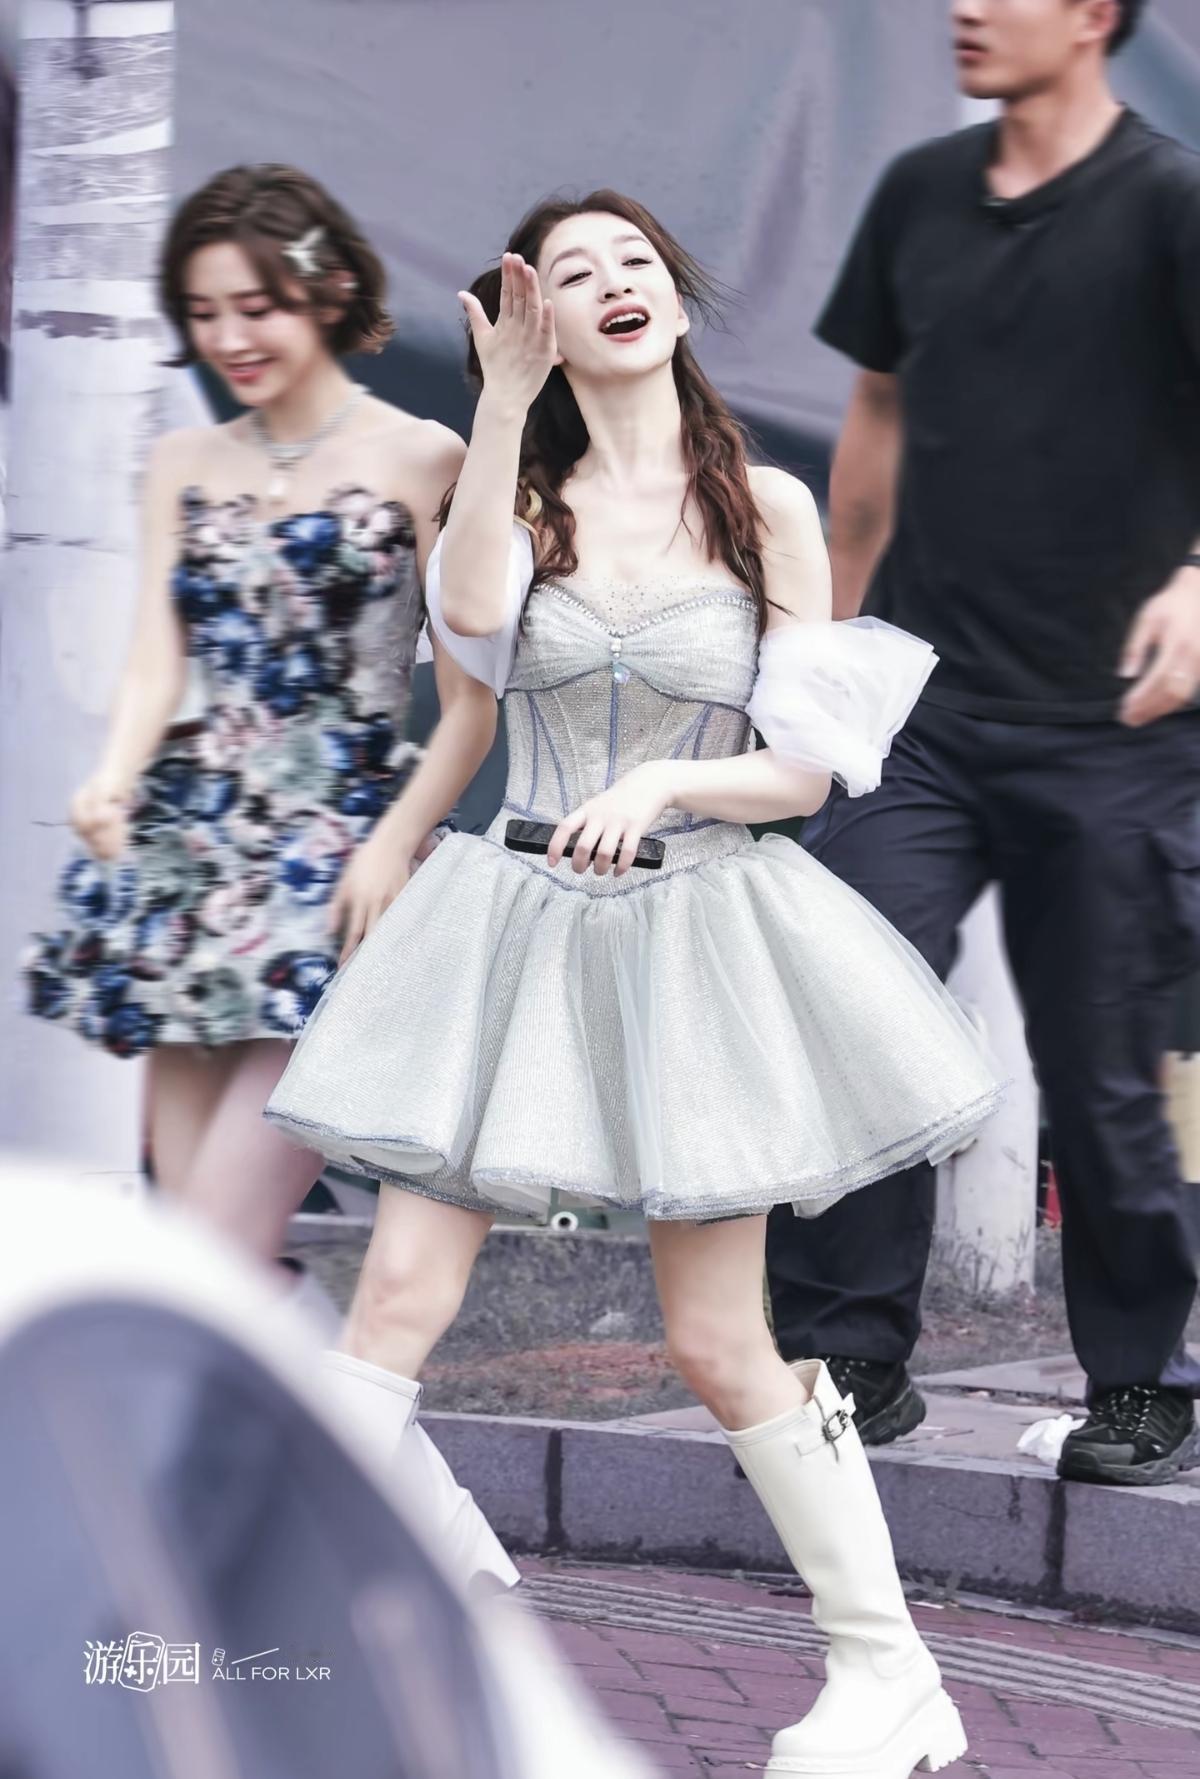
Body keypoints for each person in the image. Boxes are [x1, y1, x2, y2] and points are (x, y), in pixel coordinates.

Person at [266, 190, 1003, 1775]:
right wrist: (503, 403)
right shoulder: (513, 494)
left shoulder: (767, 506)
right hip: (507, 919)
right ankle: (316, 1614)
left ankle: (889, 1675)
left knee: (719, 1337)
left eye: (637, 262)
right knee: (394, 1301)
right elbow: (471, 621)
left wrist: (669, 784)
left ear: (676, 294)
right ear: (535, 316)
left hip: (698, 931)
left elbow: (805, 769)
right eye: (575, 270)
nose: (614, 284)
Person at [22, 164, 516, 1592]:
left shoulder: (424, 455)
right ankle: (436, 1537)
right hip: (187, 869)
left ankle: (192, 1550)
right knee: (206, 1255)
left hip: (339, 872)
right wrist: (116, 771)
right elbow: (155, 658)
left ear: (330, 290)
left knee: (208, 1246)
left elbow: (469, 705)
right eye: (203, 312)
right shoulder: (180, 462)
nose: (230, 335)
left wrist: (392, 841)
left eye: (258, 305)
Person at [765, 0, 1200, 1486]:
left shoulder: (1170, 204)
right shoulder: (920, 197)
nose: (965, 6)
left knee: (1099, 1055)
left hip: (1118, 719)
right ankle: (848, 1359)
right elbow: (877, 415)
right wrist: (826, 648)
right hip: (924, 706)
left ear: (1091, 18)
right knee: (852, 999)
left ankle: (1140, 1382)